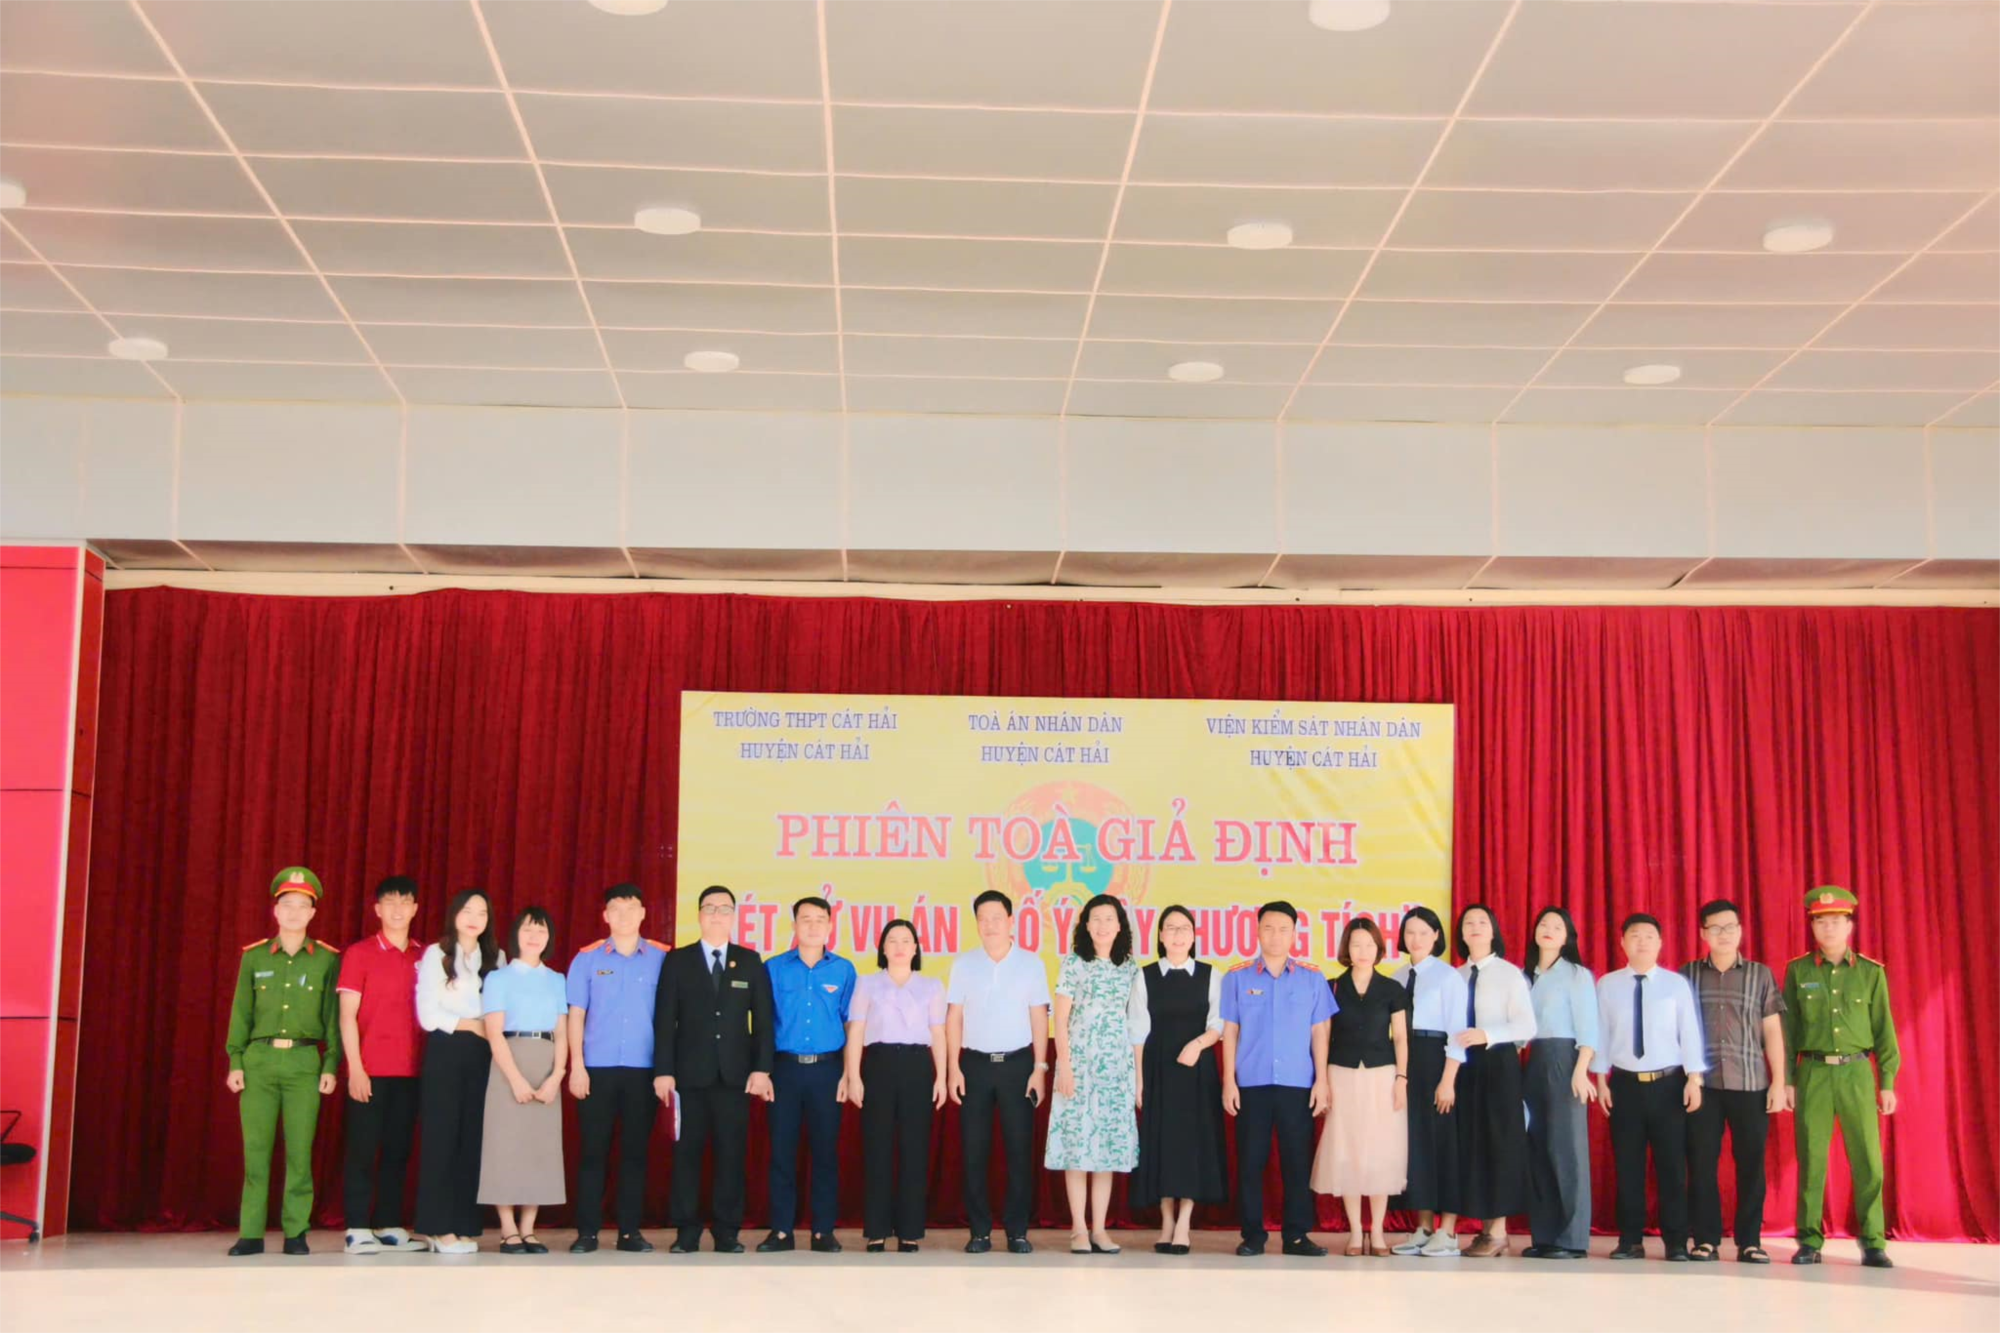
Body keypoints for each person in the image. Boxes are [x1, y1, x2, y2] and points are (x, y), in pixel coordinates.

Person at [224, 866, 342, 1256]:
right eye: (287, 904)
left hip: (304, 1062)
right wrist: (236, 1060)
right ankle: (251, 1233)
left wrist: (330, 1065)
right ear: (275, 911)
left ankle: (296, 1232)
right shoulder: (255, 956)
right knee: (256, 1152)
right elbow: (241, 1012)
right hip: (258, 1061)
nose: (294, 912)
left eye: (302, 906)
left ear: (313, 913)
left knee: (299, 1153)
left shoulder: (326, 960)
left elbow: (333, 1018)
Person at [1783, 885, 1900, 1269]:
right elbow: (1788, 1030)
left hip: (1856, 1072)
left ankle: (1874, 1241)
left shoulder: (1870, 972)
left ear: (1849, 925)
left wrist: (1887, 1081)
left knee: (1868, 1159)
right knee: (1812, 1158)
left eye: (1836, 921)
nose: (1828, 928)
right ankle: (1809, 1240)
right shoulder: (1798, 971)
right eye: (1821, 922)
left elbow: (1884, 1030)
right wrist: (1787, 1080)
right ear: (1812, 927)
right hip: (1813, 1072)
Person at [654, 884, 775, 1254]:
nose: (717, 915)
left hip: (735, 1077)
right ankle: (686, 1231)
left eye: (724, 909)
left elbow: (764, 1022)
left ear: (734, 916)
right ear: (699, 915)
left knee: (731, 1156)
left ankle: (727, 1231)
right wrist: (663, 1070)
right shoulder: (678, 960)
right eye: (710, 908)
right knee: (686, 1155)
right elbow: (665, 1020)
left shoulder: (750, 961)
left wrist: (762, 1069)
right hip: (688, 1076)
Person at [1220, 901, 1333, 1258]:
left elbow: (1320, 1032)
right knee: (1251, 1162)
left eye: (1284, 929)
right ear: (1257, 931)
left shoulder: (1312, 978)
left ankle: (1296, 1235)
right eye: (1268, 928)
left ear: (1295, 934)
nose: (1275, 935)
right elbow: (1230, 1032)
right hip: (1251, 1083)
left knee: (1297, 1162)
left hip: (1298, 1084)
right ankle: (1253, 1235)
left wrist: (1322, 1080)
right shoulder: (1237, 977)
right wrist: (1228, 1081)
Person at [1592, 912, 1705, 1262]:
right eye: (1635, 935)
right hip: (1624, 1085)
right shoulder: (1608, 984)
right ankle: (1630, 1240)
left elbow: (1689, 1031)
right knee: (1628, 1166)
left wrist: (1694, 1079)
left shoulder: (1676, 984)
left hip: (1669, 1085)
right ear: (1622, 942)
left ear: (1660, 943)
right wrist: (1601, 1080)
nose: (1642, 941)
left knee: (1672, 1166)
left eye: (1649, 936)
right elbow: (1601, 1033)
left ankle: (1676, 1242)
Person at [1680, 898, 1787, 1264]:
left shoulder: (1760, 975)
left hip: (1751, 1084)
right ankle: (1705, 1239)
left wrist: (1778, 1082)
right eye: (1715, 928)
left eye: (1730, 927)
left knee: (1752, 1165)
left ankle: (1750, 1241)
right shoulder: (1688, 975)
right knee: (1701, 1164)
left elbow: (1772, 1031)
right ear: (1703, 933)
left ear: (1740, 930)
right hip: (1702, 1085)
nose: (1723, 934)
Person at [946, 889, 1052, 1255]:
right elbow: (954, 1018)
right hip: (974, 1065)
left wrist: (1040, 1068)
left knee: (1019, 1151)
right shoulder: (964, 964)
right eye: (983, 919)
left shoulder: (1031, 964)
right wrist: (953, 1068)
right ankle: (979, 1231)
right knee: (974, 1151)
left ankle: (1017, 1231)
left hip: (1018, 1065)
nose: (990, 925)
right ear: (976, 923)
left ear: (1010, 921)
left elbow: (1039, 1017)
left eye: (996, 918)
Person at [564, 882, 669, 1254]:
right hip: (597, 1069)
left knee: (635, 1154)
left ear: (643, 914)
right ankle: (587, 1232)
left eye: (631, 908)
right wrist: (577, 1066)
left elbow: (673, 1018)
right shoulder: (587, 959)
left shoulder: (662, 958)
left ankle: (629, 1232)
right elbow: (576, 1015)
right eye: (616, 909)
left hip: (644, 1071)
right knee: (593, 1152)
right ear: (605, 915)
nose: (624, 916)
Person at [1044, 893, 1146, 1254]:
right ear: (1086, 926)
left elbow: (1136, 1024)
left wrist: (1137, 1078)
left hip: (1116, 1069)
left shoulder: (1130, 968)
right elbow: (1060, 1020)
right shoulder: (1074, 963)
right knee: (1077, 1148)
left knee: (1107, 1151)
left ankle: (1100, 1229)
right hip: (1078, 1067)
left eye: (1109, 919)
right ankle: (1078, 1229)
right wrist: (1065, 1067)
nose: (1103, 925)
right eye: (1096, 919)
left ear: (1120, 926)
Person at [760, 895, 857, 1254]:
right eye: (806, 919)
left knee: (825, 1152)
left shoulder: (844, 970)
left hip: (828, 1071)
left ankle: (822, 1231)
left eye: (820, 919)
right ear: (794, 925)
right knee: (781, 1152)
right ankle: (781, 1231)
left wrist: (848, 1074)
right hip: (783, 1070)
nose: (813, 925)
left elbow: (850, 1023)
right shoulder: (774, 968)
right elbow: (764, 1023)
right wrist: (763, 1070)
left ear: (830, 926)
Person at [1129, 904, 1226, 1256]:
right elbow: (1137, 1031)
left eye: (1184, 928)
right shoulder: (1145, 976)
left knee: (1191, 1144)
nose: (1178, 934)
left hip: (1196, 1070)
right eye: (1170, 928)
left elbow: (1218, 1024)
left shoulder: (1210, 975)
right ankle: (1166, 1221)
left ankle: (1184, 1221)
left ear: (1194, 935)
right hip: (1158, 1069)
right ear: (1160, 935)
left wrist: (1198, 1045)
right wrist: (1139, 1081)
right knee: (1162, 1144)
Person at [844, 918, 947, 1252]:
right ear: (883, 948)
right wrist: (853, 1075)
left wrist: (942, 1077)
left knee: (914, 1150)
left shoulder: (931, 986)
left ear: (916, 949)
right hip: (878, 1066)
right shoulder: (867, 983)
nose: (900, 946)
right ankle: (876, 1229)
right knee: (878, 1148)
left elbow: (938, 1033)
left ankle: (909, 1230)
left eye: (906, 940)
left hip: (918, 1067)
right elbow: (856, 1031)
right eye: (893, 940)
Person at [337, 874, 426, 1254]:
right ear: (377, 909)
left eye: (405, 902)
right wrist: (355, 1068)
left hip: (413, 1072)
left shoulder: (426, 956)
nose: (397, 909)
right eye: (390, 902)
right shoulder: (359, 953)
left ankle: (389, 1224)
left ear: (415, 909)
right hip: (370, 1070)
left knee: (398, 1150)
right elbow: (346, 1016)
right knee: (362, 1149)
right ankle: (357, 1226)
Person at [1310, 917, 1409, 1257]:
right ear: (1346, 949)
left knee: (1380, 1151)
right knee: (1347, 1150)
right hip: (1342, 1073)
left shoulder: (1392, 989)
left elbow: (1401, 1038)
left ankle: (1377, 1232)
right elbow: (1322, 1036)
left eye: (1369, 944)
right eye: (1356, 945)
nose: (1363, 951)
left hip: (1383, 1075)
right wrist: (1322, 1080)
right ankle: (1355, 1232)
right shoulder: (1332, 987)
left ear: (1379, 949)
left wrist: (1402, 1078)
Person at [414, 888, 501, 1255]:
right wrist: (471, 1025)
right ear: (454, 914)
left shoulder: (496, 957)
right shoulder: (436, 954)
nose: (474, 918)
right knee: (442, 1137)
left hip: (483, 1054)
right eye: (467, 910)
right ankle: (437, 1228)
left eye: (482, 913)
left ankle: (464, 1224)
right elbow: (427, 1014)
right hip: (447, 1049)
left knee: (472, 1138)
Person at [478, 907, 569, 1255]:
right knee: (504, 1145)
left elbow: (562, 1033)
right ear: (516, 934)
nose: (534, 936)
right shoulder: (499, 978)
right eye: (528, 929)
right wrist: (515, 1079)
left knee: (539, 1148)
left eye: (541, 931)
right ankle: (508, 1230)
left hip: (546, 1061)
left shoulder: (556, 979)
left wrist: (557, 1076)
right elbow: (494, 1032)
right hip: (508, 1062)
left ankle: (529, 1229)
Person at [1450, 903, 1536, 1257]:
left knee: (1499, 1141)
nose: (1475, 926)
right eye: (1468, 922)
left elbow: (1527, 1026)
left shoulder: (1509, 974)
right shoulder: (1455, 976)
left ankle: (1499, 1231)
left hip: (1498, 1062)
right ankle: (1485, 1230)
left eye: (1482, 922)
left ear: (1493, 931)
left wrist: (1487, 1034)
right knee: (1473, 1142)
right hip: (1463, 1065)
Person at [1390, 905, 1469, 1258]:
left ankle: (1447, 1231)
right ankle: (1422, 1228)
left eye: (1424, 932)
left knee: (1444, 1145)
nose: (1416, 938)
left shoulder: (1448, 977)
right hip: (1406, 1062)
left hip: (1438, 1059)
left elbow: (1457, 1031)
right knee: (1415, 1144)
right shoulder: (1396, 977)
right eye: (1410, 932)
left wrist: (1448, 1080)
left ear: (1436, 936)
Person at [1521, 906, 1598, 1260]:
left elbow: (1588, 1027)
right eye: (1543, 924)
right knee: (1539, 1147)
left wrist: (1581, 1070)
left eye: (1557, 926)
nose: (1548, 929)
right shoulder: (1526, 976)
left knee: (1566, 1148)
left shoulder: (1576, 974)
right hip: (1534, 1060)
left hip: (1566, 1059)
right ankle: (1545, 1235)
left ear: (1567, 937)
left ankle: (1571, 1239)